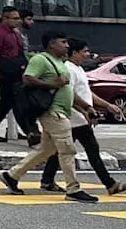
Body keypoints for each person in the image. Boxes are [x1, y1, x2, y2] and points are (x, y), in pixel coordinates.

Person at [0, 33, 97, 202]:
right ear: (52, 44)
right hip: (52, 111)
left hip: (62, 111)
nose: (67, 46)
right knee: (67, 150)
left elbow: (68, 90)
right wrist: (52, 84)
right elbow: (28, 78)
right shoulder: (41, 60)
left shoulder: (61, 63)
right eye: (63, 42)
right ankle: (73, 189)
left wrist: (86, 107)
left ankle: (12, 175)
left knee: (47, 150)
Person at [40, 40, 124, 196]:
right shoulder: (68, 70)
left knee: (60, 150)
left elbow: (87, 93)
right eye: (84, 51)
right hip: (74, 117)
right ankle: (110, 184)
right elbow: (69, 95)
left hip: (78, 117)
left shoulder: (78, 69)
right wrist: (86, 112)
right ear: (74, 53)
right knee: (91, 149)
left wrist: (106, 105)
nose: (87, 54)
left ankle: (46, 180)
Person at [0, 5, 31, 144]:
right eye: (14, 18)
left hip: (17, 72)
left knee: (7, 103)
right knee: (16, 103)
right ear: (5, 18)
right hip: (6, 74)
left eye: (18, 18)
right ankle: (30, 132)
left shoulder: (15, 33)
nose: (18, 21)